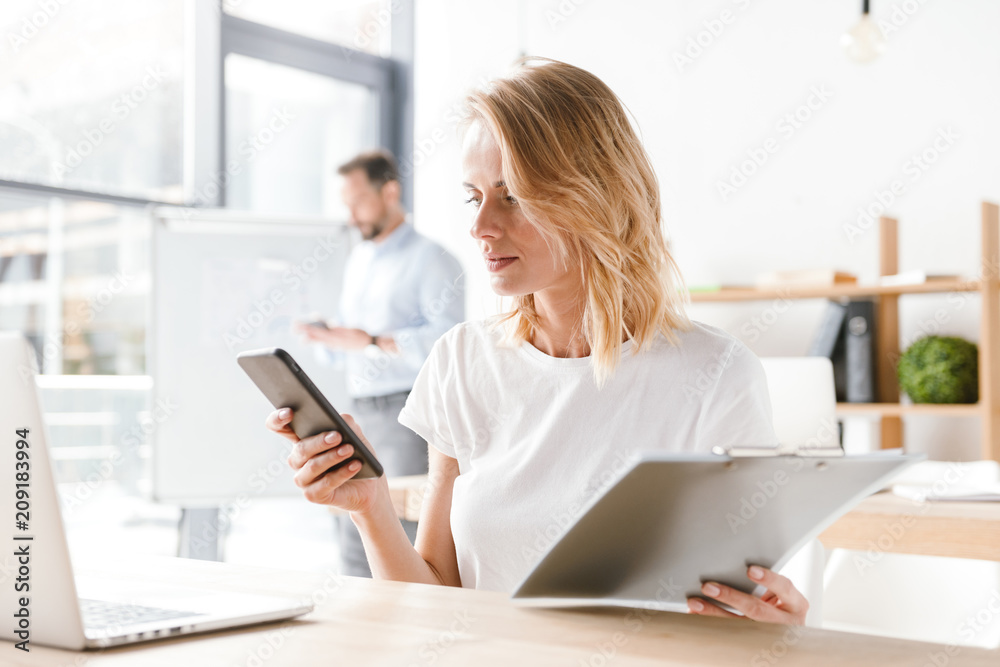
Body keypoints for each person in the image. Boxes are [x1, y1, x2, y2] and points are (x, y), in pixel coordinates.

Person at [272, 60, 809, 624]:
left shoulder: (717, 374)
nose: (480, 226)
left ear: (594, 196)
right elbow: (434, 606)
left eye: (513, 196)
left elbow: (735, 614)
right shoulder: (461, 361)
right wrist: (370, 506)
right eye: (472, 196)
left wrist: (774, 636)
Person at [294, 149, 464, 577]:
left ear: (390, 192)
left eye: (358, 202)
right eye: (345, 205)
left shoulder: (432, 259)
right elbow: (357, 340)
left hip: (405, 411)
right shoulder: (361, 259)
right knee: (354, 530)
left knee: (401, 529)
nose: (351, 216)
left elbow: (446, 343)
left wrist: (371, 341)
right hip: (361, 405)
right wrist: (330, 336)